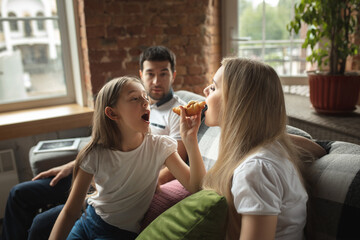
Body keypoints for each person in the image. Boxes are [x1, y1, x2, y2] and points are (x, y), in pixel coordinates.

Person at [1, 46, 187, 240]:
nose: (156, 81)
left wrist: (144, 182)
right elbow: (106, 144)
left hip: (125, 182)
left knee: (41, 224)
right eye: (150, 74)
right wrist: (75, 165)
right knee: (19, 193)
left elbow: (175, 164)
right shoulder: (135, 103)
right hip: (102, 168)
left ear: (173, 75)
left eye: (163, 74)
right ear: (141, 74)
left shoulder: (176, 111)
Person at [48, 76, 205, 239]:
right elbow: (70, 212)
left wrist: (190, 140)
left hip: (119, 234)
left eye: (145, 97)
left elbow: (197, 188)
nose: (145, 102)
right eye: (135, 98)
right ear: (112, 113)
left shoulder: (159, 147)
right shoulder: (94, 153)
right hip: (88, 220)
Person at [198, 57, 318, 239]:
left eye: (213, 87)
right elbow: (319, 149)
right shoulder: (271, 145)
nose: (205, 91)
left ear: (235, 103)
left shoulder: (256, 170)